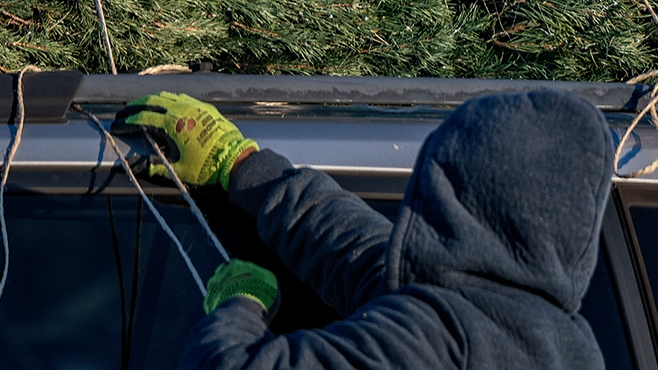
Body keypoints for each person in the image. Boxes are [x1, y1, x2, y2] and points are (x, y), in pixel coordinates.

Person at [114, 88, 612, 370]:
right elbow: (356, 251)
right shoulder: (568, 345)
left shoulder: (436, 344)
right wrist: (240, 164)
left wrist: (239, 307)